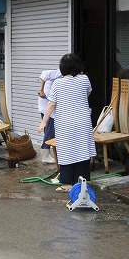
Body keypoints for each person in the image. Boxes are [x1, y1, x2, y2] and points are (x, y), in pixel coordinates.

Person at [37, 54, 95, 189]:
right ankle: (82, 183)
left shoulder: (58, 83)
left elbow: (51, 104)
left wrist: (44, 122)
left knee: (67, 152)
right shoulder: (84, 80)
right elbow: (87, 94)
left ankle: (68, 184)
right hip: (83, 121)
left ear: (62, 68)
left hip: (65, 122)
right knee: (82, 150)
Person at [38, 64, 62, 163]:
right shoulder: (60, 73)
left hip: (45, 103)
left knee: (48, 129)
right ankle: (45, 154)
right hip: (47, 103)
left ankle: (46, 153)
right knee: (51, 130)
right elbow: (44, 74)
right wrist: (41, 90)